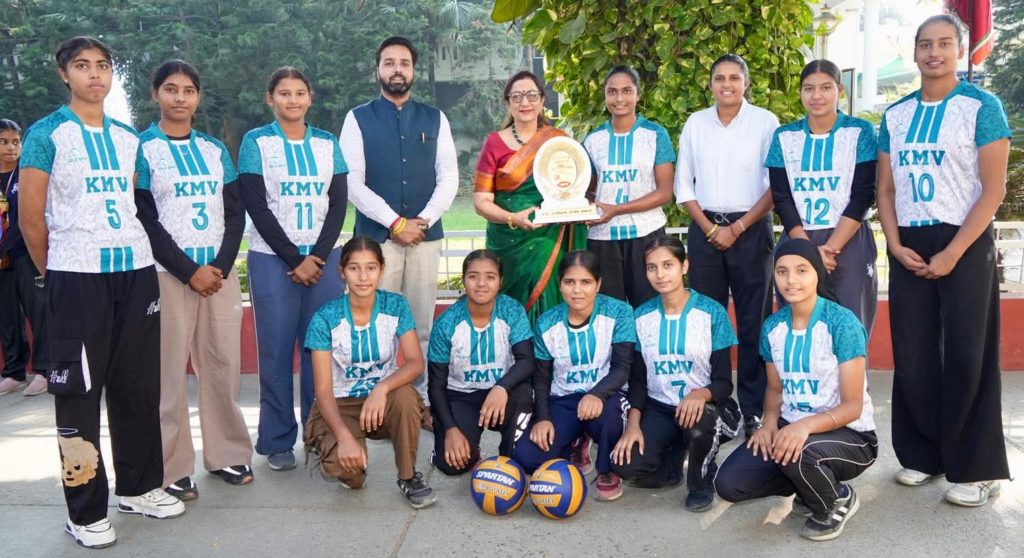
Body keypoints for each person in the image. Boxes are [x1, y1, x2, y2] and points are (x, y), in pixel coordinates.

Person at [18, 36, 184, 549]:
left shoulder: (128, 138)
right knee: (78, 394)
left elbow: (132, 205)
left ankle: (139, 487)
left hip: (135, 272)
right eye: (83, 65)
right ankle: (85, 510)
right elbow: (31, 220)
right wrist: (57, 274)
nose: (95, 74)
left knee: (137, 386)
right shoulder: (46, 134)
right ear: (64, 73)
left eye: (103, 66)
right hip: (76, 276)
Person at [877, 14, 1011, 506]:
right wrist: (894, 245)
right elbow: (886, 189)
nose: (934, 52)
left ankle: (975, 469)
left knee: (967, 353)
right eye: (925, 44)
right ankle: (924, 454)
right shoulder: (895, 115)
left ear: (958, 50)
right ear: (914, 52)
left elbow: (993, 190)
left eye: (944, 43)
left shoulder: (982, 106)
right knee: (914, 353)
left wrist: (954, 252)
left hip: (965, 239)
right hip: (909, 241)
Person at [135, 60, 254, 501]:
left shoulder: (213, 149)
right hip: (165, 275)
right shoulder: (142, 148)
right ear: (156, 94)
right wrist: (189, 271)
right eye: (171, 89)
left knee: (222, 366)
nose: (180, 98)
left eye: (188, 90)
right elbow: (144, 217)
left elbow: (234, 211)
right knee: (168, 373)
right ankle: (172, 465)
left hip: (217, 277)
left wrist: (219, 267)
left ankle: (227, 453)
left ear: (198, 97)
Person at [714, 238, 877, 542]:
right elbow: (775, 390)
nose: (791, 280)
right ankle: (808, 484)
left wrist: (803, 428)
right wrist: (768, 425)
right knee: (729, 483)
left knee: (798, 453)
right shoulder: (772, 327)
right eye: (782, 271)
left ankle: (837, 499)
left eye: (802, 270)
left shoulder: (842, 324)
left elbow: (853, 406)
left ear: (817, 273)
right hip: (792, 429)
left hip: (852, 435)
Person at [340, 36, 458, 418]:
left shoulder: (435, 118)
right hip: (376, 243)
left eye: (404, 63)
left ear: (413, 70)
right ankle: (377, 403)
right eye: (389, 62)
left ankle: (419, 402)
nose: (397, 69)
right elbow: (351, 182)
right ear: (378, 69)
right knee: (377, 324)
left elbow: (449, 177)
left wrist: (421, 223)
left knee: (421, 324)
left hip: (424, 237)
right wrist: (395, 223)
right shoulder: (357, 119)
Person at [239, 66, 348, 472]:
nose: (293, 100)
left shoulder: (327, 143)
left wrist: (316, 256)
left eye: (300, 92)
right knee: (276, 352)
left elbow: (338, 203)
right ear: (270, 98)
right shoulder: (256, 142)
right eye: (284, 93)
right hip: (272, 260)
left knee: (321, 351)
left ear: (310, 98)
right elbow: (255, 205)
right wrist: (293, 258)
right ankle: (277, 440)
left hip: (324, 259)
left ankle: (318, 433)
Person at [674, 53, 780, 438]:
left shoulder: (765, 122)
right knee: (708, 323)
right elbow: (683, 185)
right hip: (705, 231)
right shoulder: (696, 123)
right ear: (711, 84)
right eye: (720, 78)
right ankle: (715, 405)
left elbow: (775, 185)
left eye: (735, 77)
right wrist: (710, 229)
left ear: (746, 83)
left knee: (754, 321)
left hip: (751, 230)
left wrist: (737, 227)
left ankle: (753, 409)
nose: (727, 85)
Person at [303, 236, 436, 508]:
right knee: (348, 472)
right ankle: (333, 442)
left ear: (381, 270)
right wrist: (343, 438)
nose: (363, 277)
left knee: (406, 397)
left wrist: (381, 388)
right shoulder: (325, 318)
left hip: (382, 401)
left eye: (371, 268)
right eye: (354, 268)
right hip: (341, 404)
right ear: (342, 272)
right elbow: (323, 391)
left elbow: (415, 362)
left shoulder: (396, 306)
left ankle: (408, 476)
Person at [612, 236, 741, 512]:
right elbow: (638, 382)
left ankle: (701, 480)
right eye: (652, 267)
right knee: (626, 465)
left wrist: (700, 394)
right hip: (660, 407)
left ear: (684, 266)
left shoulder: (712, 312)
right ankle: (673, 462)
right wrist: (632, 426)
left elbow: (723, 383)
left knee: (699, 425)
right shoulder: (641, 317)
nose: (660, 274)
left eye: (668, 265)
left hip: (706, 408)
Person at [513, 250, 635, 502]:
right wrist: (542, 418)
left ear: (598, 284)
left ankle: (607, 469)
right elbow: (542, 378)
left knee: (610, 421)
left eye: (586, 282)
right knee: (527, 457)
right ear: (560, 285)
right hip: (564, 398)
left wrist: (597, 394)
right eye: (569, 282)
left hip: (606, 396)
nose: (577, 290)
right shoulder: (547, 323)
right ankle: (575, 441)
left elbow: (622, 367)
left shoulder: (619, 313)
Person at [767, 59, 878, 333]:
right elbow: (782, 197)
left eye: (826, 87)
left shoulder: (860, 131)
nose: (817, 96)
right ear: (800, 92)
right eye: (809, 88)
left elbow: (863, 194)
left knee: (849, 325)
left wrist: (829, 249)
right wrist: (808, 251)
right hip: (798, 238)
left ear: (840, 89)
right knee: (799, 326)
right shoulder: (784, 136)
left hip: (848, 240)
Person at [473, 70, 587, 323]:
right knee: (511, 311)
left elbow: (574, 187)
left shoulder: (559, 141)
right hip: (510, 242)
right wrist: (513, 218)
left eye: (531, 95)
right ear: (508, 103)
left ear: (542, 100)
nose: (524, 102)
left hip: (551, 238)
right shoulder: (494, 143)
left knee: (551, 301)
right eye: (517, 96)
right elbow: (481, 202)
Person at [427, 249, 534, 475]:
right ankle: (466, 448)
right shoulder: (446, 323)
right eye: (473, 276)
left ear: (500, 281)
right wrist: (450, 429)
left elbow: (526, 361)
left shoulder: (512, 311)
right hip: (461, 395)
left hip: (505, 393)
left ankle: (509, 456)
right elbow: (436, 386)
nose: (481, 284)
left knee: (526, 460)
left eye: (490, 277)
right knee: (452, 465)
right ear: (464, 279)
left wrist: (501, 387)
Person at [583, 66, 675, 308]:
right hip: (603, 237)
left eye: (626, 91)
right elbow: (587, 190)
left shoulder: (656, 135)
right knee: (608, 311)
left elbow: (665, 192)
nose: (619, 98)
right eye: (612, 91)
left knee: (649, 309)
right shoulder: (592, 140)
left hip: (647, 234)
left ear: (638, 94)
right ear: (605, 94)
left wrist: (617, 209)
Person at [0, 118, 48, 396]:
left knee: (38, 311)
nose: (11, 148)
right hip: (2, 262)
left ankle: (43, 369)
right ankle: (14, 372)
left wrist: (5, 246)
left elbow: (30, 216)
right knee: (7, 316)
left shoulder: (26, 174)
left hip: (26, 253)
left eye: (16, 142)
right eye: (4, 142)